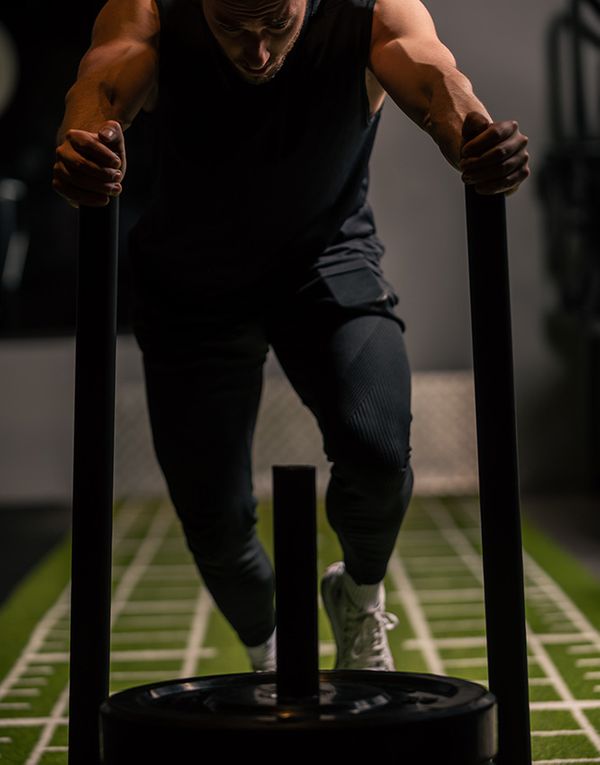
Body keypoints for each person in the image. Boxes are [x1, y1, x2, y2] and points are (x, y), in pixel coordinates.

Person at [53, 0, 529, 673]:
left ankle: (358, 594)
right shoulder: (151, 8)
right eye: (232, 29)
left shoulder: (370, 7)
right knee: (215, 523)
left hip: (326, 262)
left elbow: (432, 77)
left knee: (378, 448)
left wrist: (475, 137)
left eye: (276, 25)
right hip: (193, 279)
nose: (258, 53)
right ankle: (267, 651)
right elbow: (100, 84)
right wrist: (80, 146)